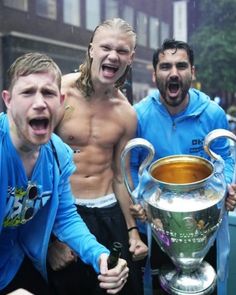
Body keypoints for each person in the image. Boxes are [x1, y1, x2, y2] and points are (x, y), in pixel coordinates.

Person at [0, 52, 129, 295]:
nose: (40, 103)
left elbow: (65, 216)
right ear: (8, 100)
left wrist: (99, 255)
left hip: (16, 263)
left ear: (60, 101)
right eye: (27, 92)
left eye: (48, 93)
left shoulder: (58, 155)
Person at [47, 18, 148, 295]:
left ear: (131, 58)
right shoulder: (60, 93)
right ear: (91, 49)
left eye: (122, 50)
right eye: (105, 47)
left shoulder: (127, 113)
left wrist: (132, 231)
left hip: (109, 212)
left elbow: (120, 175)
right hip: (65, 213)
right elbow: (36, 163)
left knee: (122, 287)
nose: (113, 56)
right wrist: (48, 241)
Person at [129, 39, 236, 295]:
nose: (174, 73)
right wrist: (140, 199)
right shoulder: (138, 115)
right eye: (165, 66)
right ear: (155, 75)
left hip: (202, 223)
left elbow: (226, 158)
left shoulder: (212, 113)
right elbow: (131, 165)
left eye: (181, 65)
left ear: (192, 72)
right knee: (157, 287)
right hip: (158, 225)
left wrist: (227, 189)